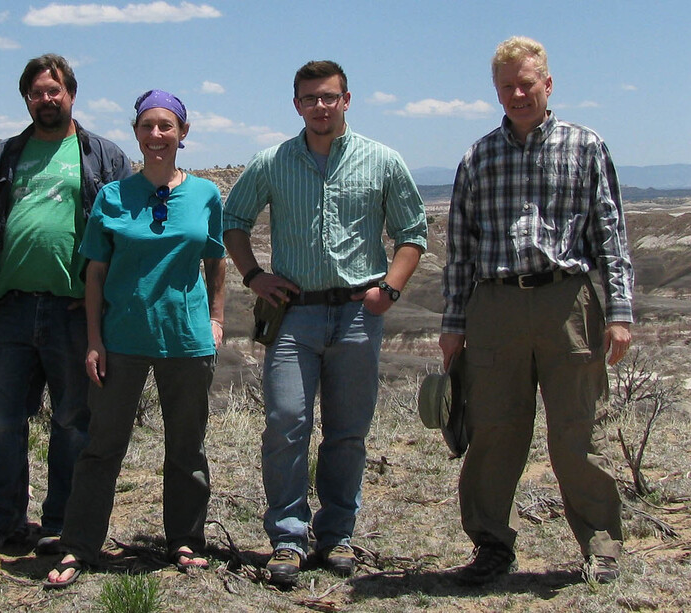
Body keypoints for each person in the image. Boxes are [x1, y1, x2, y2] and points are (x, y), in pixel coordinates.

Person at [223, 60, 427, 588]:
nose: (320, 105)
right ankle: (288, 538)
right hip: (293, 315)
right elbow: (233, 221)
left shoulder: (381, 160)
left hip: (359, 315)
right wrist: (253, 276)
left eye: (329, 97)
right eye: (310, 98)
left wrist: (391, 289)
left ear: (347, 100)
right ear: (296, 104)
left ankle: (336, 535)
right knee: (286, 423)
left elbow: (413, 232)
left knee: (347, 432)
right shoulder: (272, 161)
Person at [439, 36, 633, 585]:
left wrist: (619, 312)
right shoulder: (478, 156)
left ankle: (601, 545)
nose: (518, 94)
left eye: (527, 83)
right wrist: (453, 325)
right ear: (496, 91)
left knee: (575, 429)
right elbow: (461, 250)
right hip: (494, 304)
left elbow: (611, 237)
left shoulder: (585, 146)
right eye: (507, 87)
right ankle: (491, 546)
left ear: (548, 84)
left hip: (566, 301)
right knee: (495, 431)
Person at [45, 89, 225, 588]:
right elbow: (95, 276)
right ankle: (79, 544)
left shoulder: (206, 194)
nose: (157, 135)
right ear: (137, 133)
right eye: (148, 126)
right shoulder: (113, 196)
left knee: (186, 447)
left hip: (187, 339)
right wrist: (94, 339)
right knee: (102, 446)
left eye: (167, 125)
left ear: (183, 133)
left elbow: (215, 261)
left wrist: (216, 317)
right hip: (122, 337)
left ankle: (185, 540)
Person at [0, 54, 132, 553]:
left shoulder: (104, 157)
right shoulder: (4, 156)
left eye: (54, 91)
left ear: (71, 94)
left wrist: (106, 303)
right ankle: (2, 519)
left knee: (73, 421)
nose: (46, 99)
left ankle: (61, 522)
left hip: (75, 310)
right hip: (10, 307)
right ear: (27, 99)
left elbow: (123, 235)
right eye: (37, 92)